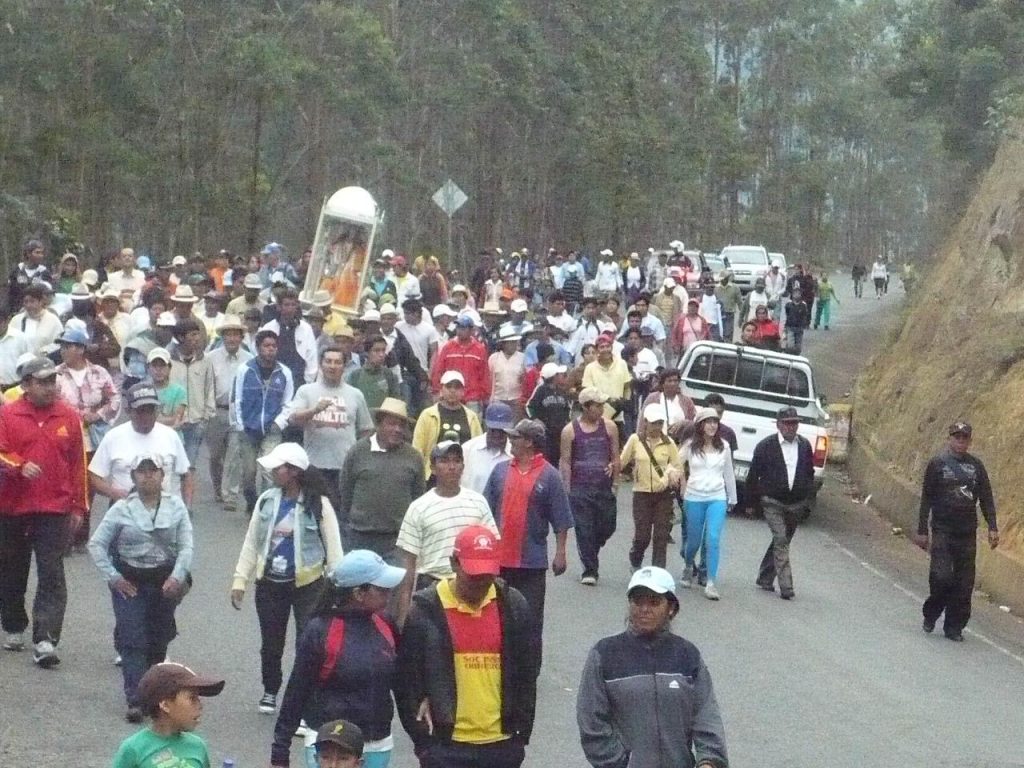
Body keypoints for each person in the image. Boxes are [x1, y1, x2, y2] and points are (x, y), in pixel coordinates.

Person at [397, 525, 539, 768]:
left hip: (502, 745)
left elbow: (529, 671)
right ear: (454, 563)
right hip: (446, 747)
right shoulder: (425, 611)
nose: (481, 583)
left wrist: (520, 737)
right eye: (473, 575)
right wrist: (424, 743)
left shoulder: (513, 606)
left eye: (487, 575)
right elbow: (406, 681)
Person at [230, 442, 344, 714]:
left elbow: (334, 547)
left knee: (307, 643)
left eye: (278, 468)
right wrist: (239, 580)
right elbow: (252, 542)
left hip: (309, 585)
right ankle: (270, 689)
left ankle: (303, 699)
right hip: (270, 583)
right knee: (271, 642)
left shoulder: (319, 505)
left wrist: (340, 590)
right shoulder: (267, 501)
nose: (272, 472)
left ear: (293, 472)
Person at [576, 566, 728, 768]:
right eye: (637, 601)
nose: (644, 609)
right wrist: (619, 763)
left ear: (671, 608)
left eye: (654, 602)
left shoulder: (688, 655)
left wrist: (709, 761)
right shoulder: (604, 654)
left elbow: (706, 714)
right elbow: (591, 722)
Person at [271, 552, 405, 768]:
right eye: (381, 589)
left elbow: (402, 687)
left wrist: (424, 743)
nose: (388, 595)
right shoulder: (320, 630)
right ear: (358, 593)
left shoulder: (386, 625)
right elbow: (297, 691)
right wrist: (279, 753)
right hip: (329, 748)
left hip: (376, 745)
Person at [88, 455, 194, 722]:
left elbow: (186, 546)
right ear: (133, 476)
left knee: (158, 639)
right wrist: (113, 577)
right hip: (130, 583)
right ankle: (135, 699)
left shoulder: (176, 507)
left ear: (162, 475)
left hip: (163, 582)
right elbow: (96, 544)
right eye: (142, 471)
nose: (148, 476)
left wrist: (177, 577)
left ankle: (155, 694)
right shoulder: (121, 508)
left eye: (153, 471)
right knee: (132, 637)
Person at [0, 356, 88, 667]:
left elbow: (79, 464)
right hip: (13, 507)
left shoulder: (69, 416)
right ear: (26, 385)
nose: (50, 387)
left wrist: (80, 506)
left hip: (54, 507)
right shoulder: (8, 414)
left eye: (52, 380)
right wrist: (19, 466)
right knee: (12, 569)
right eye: (42, 381)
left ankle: (46, 638)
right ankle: (12, 624)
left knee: (52, 573)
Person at [484, 419, 574, 651]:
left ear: (529, 443)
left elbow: (560, 518)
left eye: (515, 437)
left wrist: (561, 552)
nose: (510, 442)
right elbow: (485, 511)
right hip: (499, 561)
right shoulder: (500, 471)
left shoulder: (549, 476)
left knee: (530, 621)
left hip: (531, 563)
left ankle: (528, 672)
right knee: (497, 618)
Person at [913, 422, 999, 642]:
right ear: (949, 439)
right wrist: (922, 530)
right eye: (956, 437)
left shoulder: (977, 467)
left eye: (964, 438)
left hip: (967, 533)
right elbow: (926, 499)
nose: (960, 442)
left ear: (969, 441)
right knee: (942, 578)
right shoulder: (937, 464)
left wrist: (992, 527)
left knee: (963, 584)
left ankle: (954, 627)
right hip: (943, 530)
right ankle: (931, 613)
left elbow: (986, 498)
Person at [395, 441, 498, 624]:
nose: (451, 467)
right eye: (444, 461)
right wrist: (404, 616)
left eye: (457, 461)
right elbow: (408, 565)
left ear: (463, 467)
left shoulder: (478, 502)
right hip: (432, 586)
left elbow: (493, 548)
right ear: (433, 468)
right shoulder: (418, 508)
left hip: (470, 583)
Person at [279, 346, 374, 510]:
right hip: (314, 466)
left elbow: (366, 430)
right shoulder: (306, 391)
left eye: (337, 362)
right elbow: (293, 419)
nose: (332, 366)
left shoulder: (355, 394)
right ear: (321, 364)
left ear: (344, 366)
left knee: (340, 514)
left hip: (344, 467)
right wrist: (314, 410)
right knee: (313, 512)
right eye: (328, 361)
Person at [337, 398, 425, 561]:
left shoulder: (414, 457)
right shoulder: (358, 451)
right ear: (378, 425)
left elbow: (418, 497)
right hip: (360, 537)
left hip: (398, 540)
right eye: (391, 424)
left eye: (402, 425)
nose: (397, 429)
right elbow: (345, 491)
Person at [748, 407, 816, 600]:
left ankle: (765, 576)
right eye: (787, 423)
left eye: (794, 423)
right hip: (772, 501)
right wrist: (752, 502)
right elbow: (754, 475)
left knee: (782, 541)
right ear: (778, 424)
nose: (791, 427)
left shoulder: (804, 446)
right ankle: (787, 585)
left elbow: (809, 473)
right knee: (780, 539)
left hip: (796, 503)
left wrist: (807, 498)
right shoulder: (765, 446)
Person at [89, 382, 194, 505]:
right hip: (125, 511)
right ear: (128, 411)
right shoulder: (113, 437)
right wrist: (113, 493)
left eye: (150, 411)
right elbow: (94, 475)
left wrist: (186, 508)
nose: (146, 416)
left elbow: (186, 475)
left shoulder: (170, 435)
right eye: (140, 411)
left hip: (165, 512)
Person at [111, 662, 224, 768]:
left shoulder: (198, 746)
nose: (200, 705)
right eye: (192, 698)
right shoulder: (134, 749)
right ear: (165, 705)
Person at [560, 388, 620, 586]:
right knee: (584, 529)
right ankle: (590, 569)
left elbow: (615, 456)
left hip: (603, 486)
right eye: (597, 406)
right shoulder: (570, 431)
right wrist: (567, 488)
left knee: (607, 525)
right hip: (580, 487)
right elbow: (566, 460)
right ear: (585, 407)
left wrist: (616, 481)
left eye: (602, 405)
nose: (601, 409)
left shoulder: (610, 427)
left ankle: (593, 546)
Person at [679, 408, 737, 601]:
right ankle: (688, 565)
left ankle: (711, 582)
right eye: (708, 422)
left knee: (712, 538)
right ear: (700, 425)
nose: (712, 425)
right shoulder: (690, 446)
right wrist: (678, 480)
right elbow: (675, 463)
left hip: (716, 497)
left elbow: (729, 473)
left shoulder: (724, 446)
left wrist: (732, 497)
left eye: (715, 422)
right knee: (694, 541)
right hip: (694, 496)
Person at [234, 329, 294, 511]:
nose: (270, 350)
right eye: (266, 346)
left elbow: (289, 402)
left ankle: (266, 505)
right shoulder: (245, 369)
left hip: (272, 429)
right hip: (248, 428)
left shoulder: (285, 372)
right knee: (249, 472)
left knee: (269, 470)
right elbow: (236, 398)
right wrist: (239, 424)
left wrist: (279, 423)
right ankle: (251, 501)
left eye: (274, 346)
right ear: (258, 348)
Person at [620, 403, 682, 570]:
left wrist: (671, 474)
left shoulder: (669, 443)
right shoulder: (635, 440)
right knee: (642, 536)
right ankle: (636, 558)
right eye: (654, 423)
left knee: (661, 536)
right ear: (645, 422)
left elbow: (677, 466)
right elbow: (622, 461)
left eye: (660, 423)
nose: (657, 427)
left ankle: (657, 572)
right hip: (642, 493)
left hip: (663, 494)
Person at [206, 316, 252, 506]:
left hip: (238, 412)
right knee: (216, 455)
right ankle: (218, 487)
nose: (232, 339)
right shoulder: (211, 358)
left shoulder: (249, 360)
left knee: (233, 454)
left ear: (241, 337)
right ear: (223, 337)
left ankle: (229, 495)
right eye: (228, 334)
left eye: (235, 335)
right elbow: (206, 385)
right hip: (216, 411)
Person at [412, 370, 483, 479]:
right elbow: (418, 448)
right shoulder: (427, 415)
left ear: (463, 391)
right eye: (449, 386)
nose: (453, 391)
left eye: (457, 387)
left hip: (464, 477)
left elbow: (478, 448)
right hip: (433, 477)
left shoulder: (472, 417)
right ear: (441, 390)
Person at [168, 318, 215, 466]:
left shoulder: (205, 360)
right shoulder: (169, 360)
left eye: (198, 334)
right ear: (181, 337)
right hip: (174, 421)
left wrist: (206, 416)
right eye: (192, 335)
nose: (197, 338)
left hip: (196, 421)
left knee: (190, 465)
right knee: (172, 464)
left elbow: (209, 388)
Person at [432, 315, 491, 414]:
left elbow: (484, 374)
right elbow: (439, 370)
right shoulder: (448, 347)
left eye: (463, 328)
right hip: (450, 395)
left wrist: (484, 395)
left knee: (472, 426)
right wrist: (437, 391)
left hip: (472, 398)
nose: (459, 331)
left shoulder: (479, 349)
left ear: (471, 330)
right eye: (458, 327)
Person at [461, 402, 514, 494]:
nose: (497, 434)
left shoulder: (515, 453)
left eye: (502, 430)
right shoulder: (468, 449)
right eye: (493, 430)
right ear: (485, 426)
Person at [525, 361, 570, 466]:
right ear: (554, 377)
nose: (561, 376)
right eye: (559, 374)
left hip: (560, 432)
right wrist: (535, 419)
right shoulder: (540, 390)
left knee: (560, 458)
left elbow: (568, 408)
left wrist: (567, 421)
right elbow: (529, 406)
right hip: (546, 433)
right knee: (547, 458)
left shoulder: (561, 391)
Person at [347, 335, 400, 410]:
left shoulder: (389, 375)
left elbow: (395, 403)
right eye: (376, 351)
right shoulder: (355, 376)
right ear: (367, 352)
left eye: (383, 350)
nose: (381, 355)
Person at [783, 287, 810, 354]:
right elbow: (787, 314)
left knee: (798, 346)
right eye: (795, 293)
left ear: (801, 295)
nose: (797, 295)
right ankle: (788, 353)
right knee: (790, 345)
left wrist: (804, 324)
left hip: (799, 328)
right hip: (790, 327)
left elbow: (805, 315)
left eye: (798, 293)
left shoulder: (803, 305)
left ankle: (796, 356)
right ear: (792, 295)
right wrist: (786, 327)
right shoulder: (788, 305)